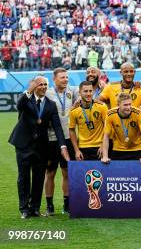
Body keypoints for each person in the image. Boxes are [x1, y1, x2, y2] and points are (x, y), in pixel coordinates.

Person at [9, 76, 70, 219]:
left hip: (42, 146)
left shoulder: (50, 104)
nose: (43, 87)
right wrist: (29, 90)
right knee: (23, 177)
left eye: (45, 84)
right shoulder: (25, 98)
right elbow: (19, 105)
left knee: (39, 177)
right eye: (40, 84)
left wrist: (62, 146)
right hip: (24, 144)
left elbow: (57, 127)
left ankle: (35, 208)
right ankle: (24, 209)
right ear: (34, 86)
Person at [44, 67, 79, 216]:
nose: (65, 79)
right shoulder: (46, 93)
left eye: (66, 77)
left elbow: (88, 90)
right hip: (51, 139)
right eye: (62, 77)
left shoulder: (73, 91)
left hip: (69, 138)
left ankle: (67, 204)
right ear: (54, 79)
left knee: (67, 173)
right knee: (50, 173)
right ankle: (49, 206)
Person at [101, 93, 141, 163]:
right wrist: (105, 157)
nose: (128, 107)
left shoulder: (138, 113)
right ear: (118, 105)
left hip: (138, 148)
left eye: (130, 104)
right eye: (125, 105)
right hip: (118, 149)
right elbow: (106, 136)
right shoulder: (110, 114)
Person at [69, 81, 109, 161]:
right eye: (85, 91)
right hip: (83, 147)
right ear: (80, 92)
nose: (88, 94)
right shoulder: (74, 111)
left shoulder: (102, 107)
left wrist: (103, 145)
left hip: (99, 147)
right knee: (85, 173)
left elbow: (107, 127)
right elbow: (71, 130)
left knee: (101, 173)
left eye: (90, 91)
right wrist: (77, 150)